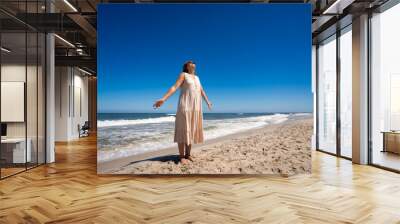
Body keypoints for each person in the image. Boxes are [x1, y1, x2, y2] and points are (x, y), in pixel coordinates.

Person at [153, 60, 212, 164]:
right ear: (186, 66)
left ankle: (188, 154)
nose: (192, 63)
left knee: (191, 130)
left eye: (193, 62)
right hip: (185, 106)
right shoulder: (183, 75)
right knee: (183, 130)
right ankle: (181, 156)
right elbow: (175, 87)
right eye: (190, 62)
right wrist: (164, 99)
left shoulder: (197, 78)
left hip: (196, 107)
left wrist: (208, 102)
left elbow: (201, 90)